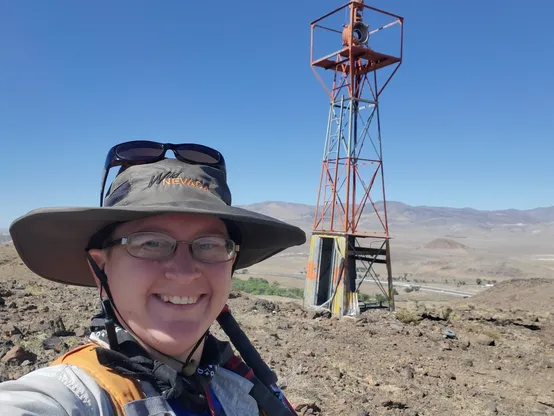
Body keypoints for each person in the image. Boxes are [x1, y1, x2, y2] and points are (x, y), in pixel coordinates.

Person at [0, 140, 306, 415]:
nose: (185, 273)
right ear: (100, 268)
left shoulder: (241, 389)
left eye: (209, 245)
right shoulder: (74, 395)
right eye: (151, 243)